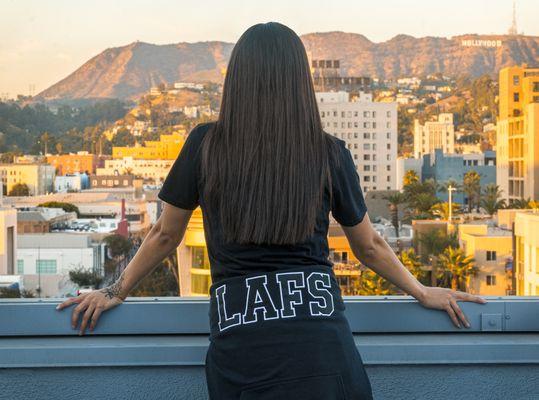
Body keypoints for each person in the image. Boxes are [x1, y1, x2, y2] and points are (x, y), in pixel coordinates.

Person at [56, 22, 487, 399]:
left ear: (237, 78)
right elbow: (369, 246)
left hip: (243, 352)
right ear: (300, 80)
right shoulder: (327, 152)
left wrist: (113, 292)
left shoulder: (205, 145)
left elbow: (165, 236)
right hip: (323, 348)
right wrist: (421, 290)